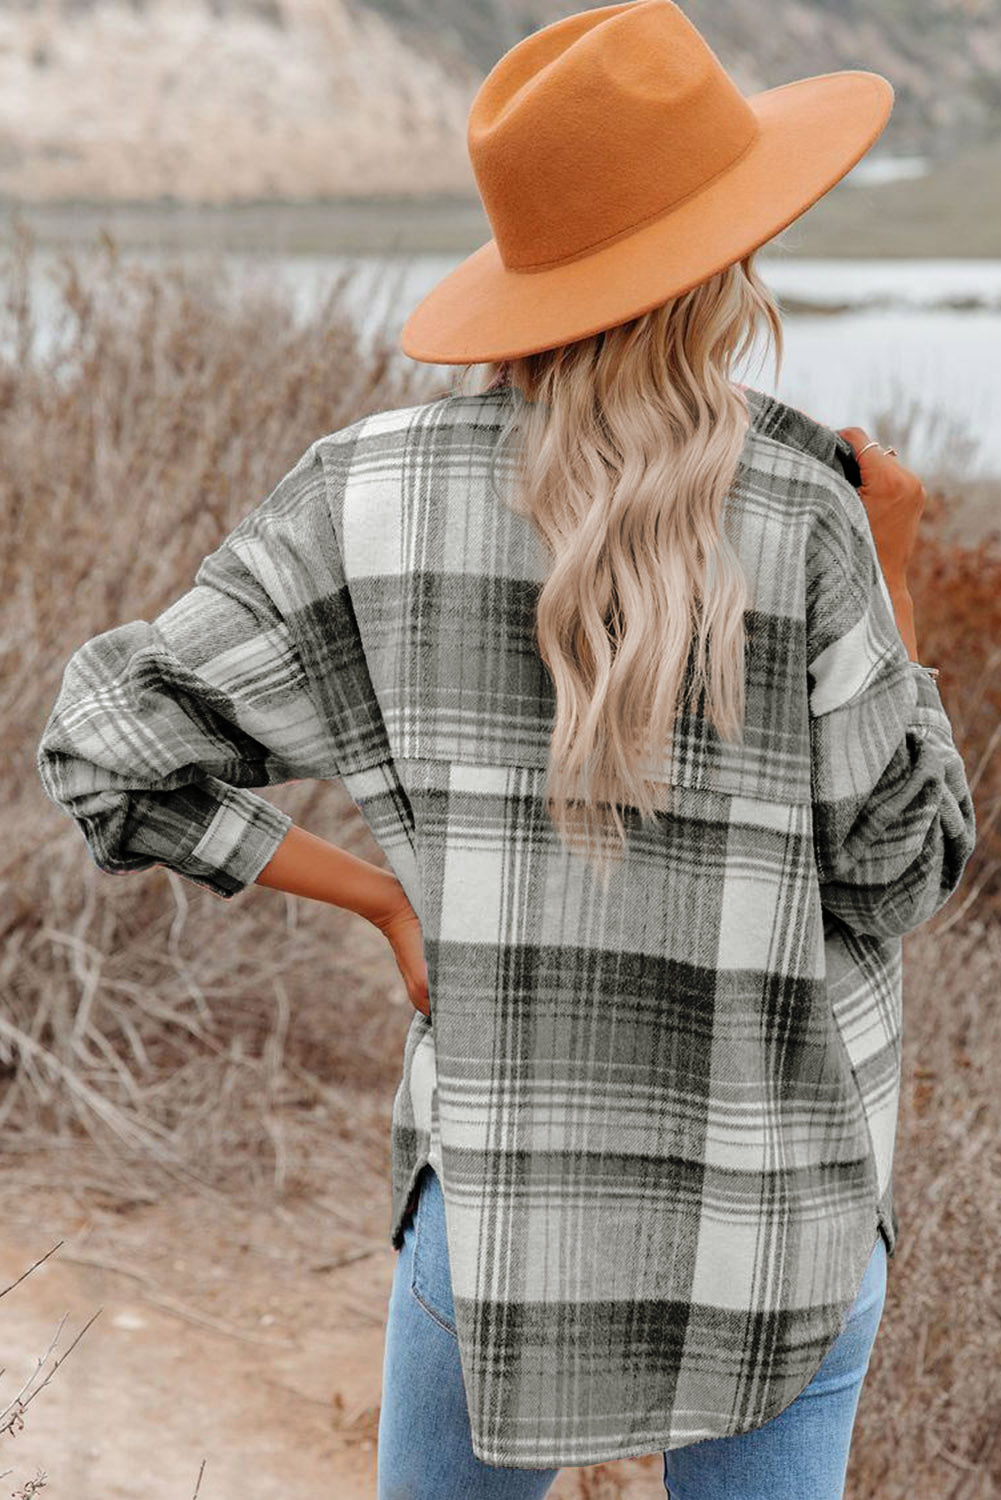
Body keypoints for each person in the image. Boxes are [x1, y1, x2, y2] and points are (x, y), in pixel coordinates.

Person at [35, 3, 977, 1498]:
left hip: (497, 1208)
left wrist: (381, 896)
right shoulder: (811, 515)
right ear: (722, 258)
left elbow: (105, 748)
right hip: (773, 1221)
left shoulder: (362, 498)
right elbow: (894, 873)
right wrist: (899, 578)